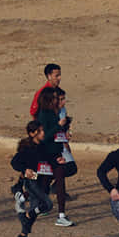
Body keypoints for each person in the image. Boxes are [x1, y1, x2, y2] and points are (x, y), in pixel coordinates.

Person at [10, 120, 60, 237]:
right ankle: (25, 215)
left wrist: (57, 160)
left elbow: (48, 159)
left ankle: (23, 236)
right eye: (41, 131)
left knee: (35, 209)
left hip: (42, 182)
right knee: (47, 205)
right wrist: (25, 170)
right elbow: (15, 162)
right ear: (33, 133)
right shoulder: (27, 149)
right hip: (32, 182)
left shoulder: (42, 146)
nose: (44, 133)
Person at [43, 86, 77, 226]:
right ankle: (24, 195)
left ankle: (60, 214)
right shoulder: (45, 114)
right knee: (44, 179)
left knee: (68, 171)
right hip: (48, 150)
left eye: (64, 99)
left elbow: (62, 130)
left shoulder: (62, 112)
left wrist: (66, 140)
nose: (63, 102)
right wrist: (58, 126)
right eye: (60, 99)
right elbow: (45, 135)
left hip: (59, 148)